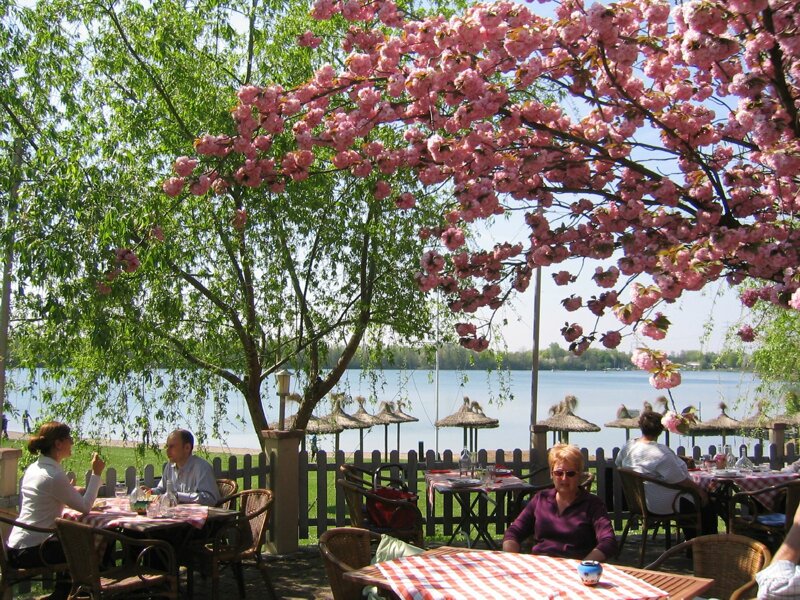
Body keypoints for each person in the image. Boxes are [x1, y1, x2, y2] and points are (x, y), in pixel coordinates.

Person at [8, 421, 105, 600]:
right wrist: (96, 474)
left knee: (72, 542)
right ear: (58, 443)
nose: (72, 442)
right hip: (33, 551)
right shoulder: (53, 475)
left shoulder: (35, 468)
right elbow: (85, 507)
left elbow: (45, 499)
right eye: (69, 438)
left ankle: (64, 593)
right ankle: (81, 593)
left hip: (16, 547)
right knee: (85, 549)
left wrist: (68, 491)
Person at [502, 443, 617, 560]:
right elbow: (513, 532)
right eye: (559, 473)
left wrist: (585, 564)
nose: (564, 478)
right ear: (551, 474)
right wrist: (512, 557)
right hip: (541, 564)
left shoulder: (592, 504)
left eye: (570, 473)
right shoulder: (541, 499)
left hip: (575, 566)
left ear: (579, 475)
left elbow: (608, 542)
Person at [615, 411, 716, 537]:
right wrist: (701, 492)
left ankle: (697, 543)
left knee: (696, 498)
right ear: (661, 429)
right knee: (706, 503)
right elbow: (680, 480)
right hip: (660, 502)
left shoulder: (629, 445)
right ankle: (705, 543)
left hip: (639, 501)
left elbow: (619, 463)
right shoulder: (660, 453)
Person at [150, 429, 220, 506]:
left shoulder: (202, 468)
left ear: (187, 448)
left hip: (196, 513)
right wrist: (151, 492)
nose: (167, 451)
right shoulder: (170, 466)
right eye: (167, 446)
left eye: (172, 446)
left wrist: (178, 496)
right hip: (175, 512)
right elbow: (162, 490)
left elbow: (210, 499)